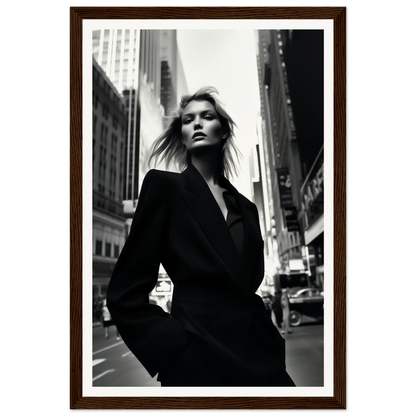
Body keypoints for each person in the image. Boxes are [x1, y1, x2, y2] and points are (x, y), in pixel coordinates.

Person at [107, 86, 295, 387]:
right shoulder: (163, 188)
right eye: (187, 119)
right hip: (197, 361)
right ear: (182, 135)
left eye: (207, 116)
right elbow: (124, 293)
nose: (196, 123)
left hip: (261, 357)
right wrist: (174, 345)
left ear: (223, 132)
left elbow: (248, 282)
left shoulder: (247, 208)